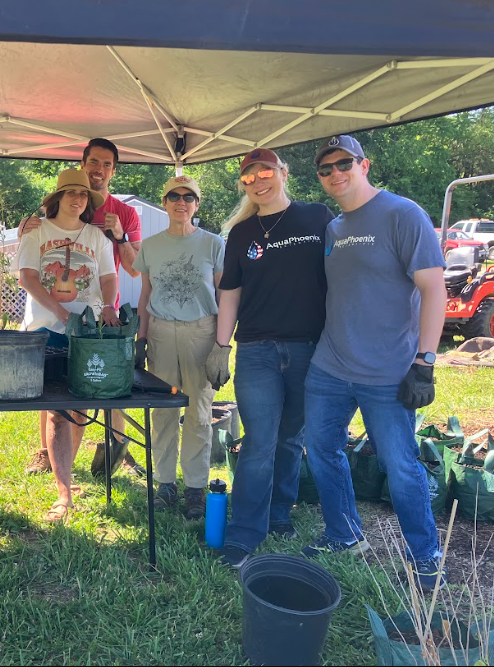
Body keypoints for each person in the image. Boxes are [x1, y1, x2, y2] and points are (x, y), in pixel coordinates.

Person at [302, 135, 447, 589]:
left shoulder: (403, 214)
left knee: (400, 465)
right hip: (330, 365)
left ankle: (425, 555)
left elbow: (434, 290)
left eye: (343, 163)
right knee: (321, 449)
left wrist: (425, 361)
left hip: (388, 371)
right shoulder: (334, 228)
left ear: (364, 164)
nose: (335, 174)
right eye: (325, 169)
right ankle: (344, 534)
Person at [205, 149, 334, 568]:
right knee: (260, 440)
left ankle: (280, 513)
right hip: (257, 350)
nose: (258, 181)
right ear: (243, 184)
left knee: (291, 437)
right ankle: (244, 533)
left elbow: (343, 276)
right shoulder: (241, 234)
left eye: (265, 172)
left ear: (282, 173)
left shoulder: (317, 217)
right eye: (248, 177)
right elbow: (230, 294)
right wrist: (221, 346)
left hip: (310, 348)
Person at [19, 138, 145, 478]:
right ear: (84, 163)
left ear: (113, 170)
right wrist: (23, 229)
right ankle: (49, 455)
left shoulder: (125, 214)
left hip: (102, 313)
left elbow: (134, 269)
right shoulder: (44, 222)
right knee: (54, 396)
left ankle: (118, 447)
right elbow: (28, 270)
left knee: (102, 385)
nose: (99, 169)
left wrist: (119, 237)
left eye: (106, 164)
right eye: (94, 162)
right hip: (51, 317)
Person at [15, 168, 120, 522]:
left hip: (86, 333)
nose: (77, 199)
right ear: (57, 198)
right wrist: (59, 311)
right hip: (45, 331)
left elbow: (108, 277)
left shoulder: (97, 236)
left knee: (77, 410)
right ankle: (63, 493)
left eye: (84, 195)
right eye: (71, 193)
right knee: (57, 410)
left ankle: (68, 476)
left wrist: (108, 306)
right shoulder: (37, 232)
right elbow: (28, 277)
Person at [133, 175, 225, 520]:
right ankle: (165, 483)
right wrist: (140, 339)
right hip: (160, 332)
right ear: (165, 202)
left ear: (196, 205)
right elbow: (144, 296)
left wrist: (222, 344)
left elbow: (223, 296)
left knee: (199, 413)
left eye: (189, 197)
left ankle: (195, 489)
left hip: (201, 332)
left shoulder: (213, 244)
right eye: (174, 196)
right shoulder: (151, 246)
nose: (181, 202)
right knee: (163, 410)